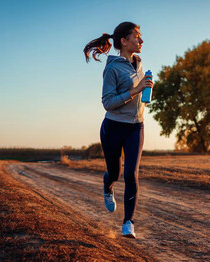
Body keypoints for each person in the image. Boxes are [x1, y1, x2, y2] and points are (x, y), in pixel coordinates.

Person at [83, 21, 153, 238]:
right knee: (116, 172)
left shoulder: (138, 63)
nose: (141, 40)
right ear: (124, 41)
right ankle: (108, 186)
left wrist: (145, 90)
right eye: (137, 36)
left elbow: (137, 94)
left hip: (136, 127)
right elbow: (108, 103)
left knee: (131, 173)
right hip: (113, 127)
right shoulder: (112, 68)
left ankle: (128, 224)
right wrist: (136, 90)